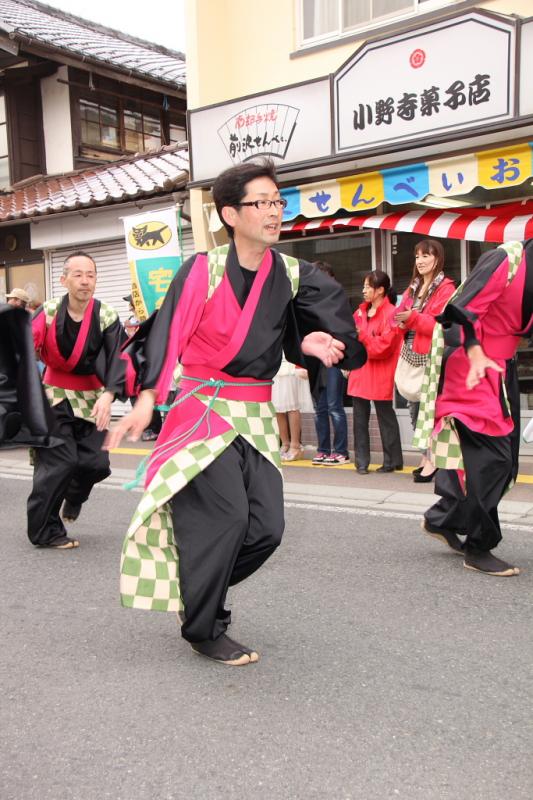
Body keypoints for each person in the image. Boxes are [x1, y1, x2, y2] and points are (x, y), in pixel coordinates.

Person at [106, 159, 367, 666]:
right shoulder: (201, 270)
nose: (274, 212)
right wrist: (144, 400)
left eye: (277, 201)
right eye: (261, 203)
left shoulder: (291, 272)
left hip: (255, 414)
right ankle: (203, 626)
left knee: (266, 528)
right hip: (202, 411)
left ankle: (198, 585)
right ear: (230, 213)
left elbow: (290, 330)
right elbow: (167, 334)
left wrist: (306, 344)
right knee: (227, 517)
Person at [417, 239, 533, 576]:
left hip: (501, 366)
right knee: (492, 459)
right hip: (472, 365)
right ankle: (479, 547)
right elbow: (458, 311)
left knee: (505, 461)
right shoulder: (506, 260)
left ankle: (443, 519)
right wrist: (473, 349)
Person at [27, 251, 125, 549]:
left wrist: (110, 394)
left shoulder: (106, 315)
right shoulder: (48, 312)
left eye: (91, 275)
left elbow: (118, 358)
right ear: (64, 278)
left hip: (94, 398)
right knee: (59, 463)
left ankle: (75, 497)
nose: (85, 281)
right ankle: (45, 531)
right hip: (54, 396)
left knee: (96, 464)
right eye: (78, 274)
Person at [394, 239, 455, 482]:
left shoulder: (446, 288)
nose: (420, 261)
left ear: (437, 258)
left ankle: (432, 459)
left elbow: (442, 325)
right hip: (410, 354)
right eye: (417, 256)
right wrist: (400, 322)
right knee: (414, 407)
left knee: (429, 410)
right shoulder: (413, 287)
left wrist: (412, 319)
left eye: (425, 256)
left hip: (432, 356)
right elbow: (398, 319)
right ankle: (425, 455)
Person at [348, 270, 403, 474]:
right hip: (361, 370)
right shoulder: (360, 312)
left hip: (380, 371)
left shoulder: (392, 314)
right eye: (363, 286)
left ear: (380, 290)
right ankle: (361, 462)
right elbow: (350, 339)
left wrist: (361, 338)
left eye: (367, 287)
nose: (363, 291)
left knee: (385, 416)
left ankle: (392, 460)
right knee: (360, 420)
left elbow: (384, 347)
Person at [311, 262, 350, 466]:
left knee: (335, 406)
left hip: (334, 358)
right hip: (316, 360)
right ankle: (323, 449)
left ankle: (341, 451)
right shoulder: (311, 300)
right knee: (320, 408)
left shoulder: (338, 300)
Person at [123, 294, 161, 441]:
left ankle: (153, 428)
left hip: (146, 363)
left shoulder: (149, 318)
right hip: (133, 363)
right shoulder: (130, 321)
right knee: (133, 394)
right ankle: (142, 426)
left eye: (131, 303)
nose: (129, 307)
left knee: (147, 394)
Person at [272, 356, 313, 461]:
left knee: (292, 405)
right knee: (276, 407)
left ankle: (295, 446)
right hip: (274, 365)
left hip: (290, 365)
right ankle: (285, 443)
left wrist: (300, 366)